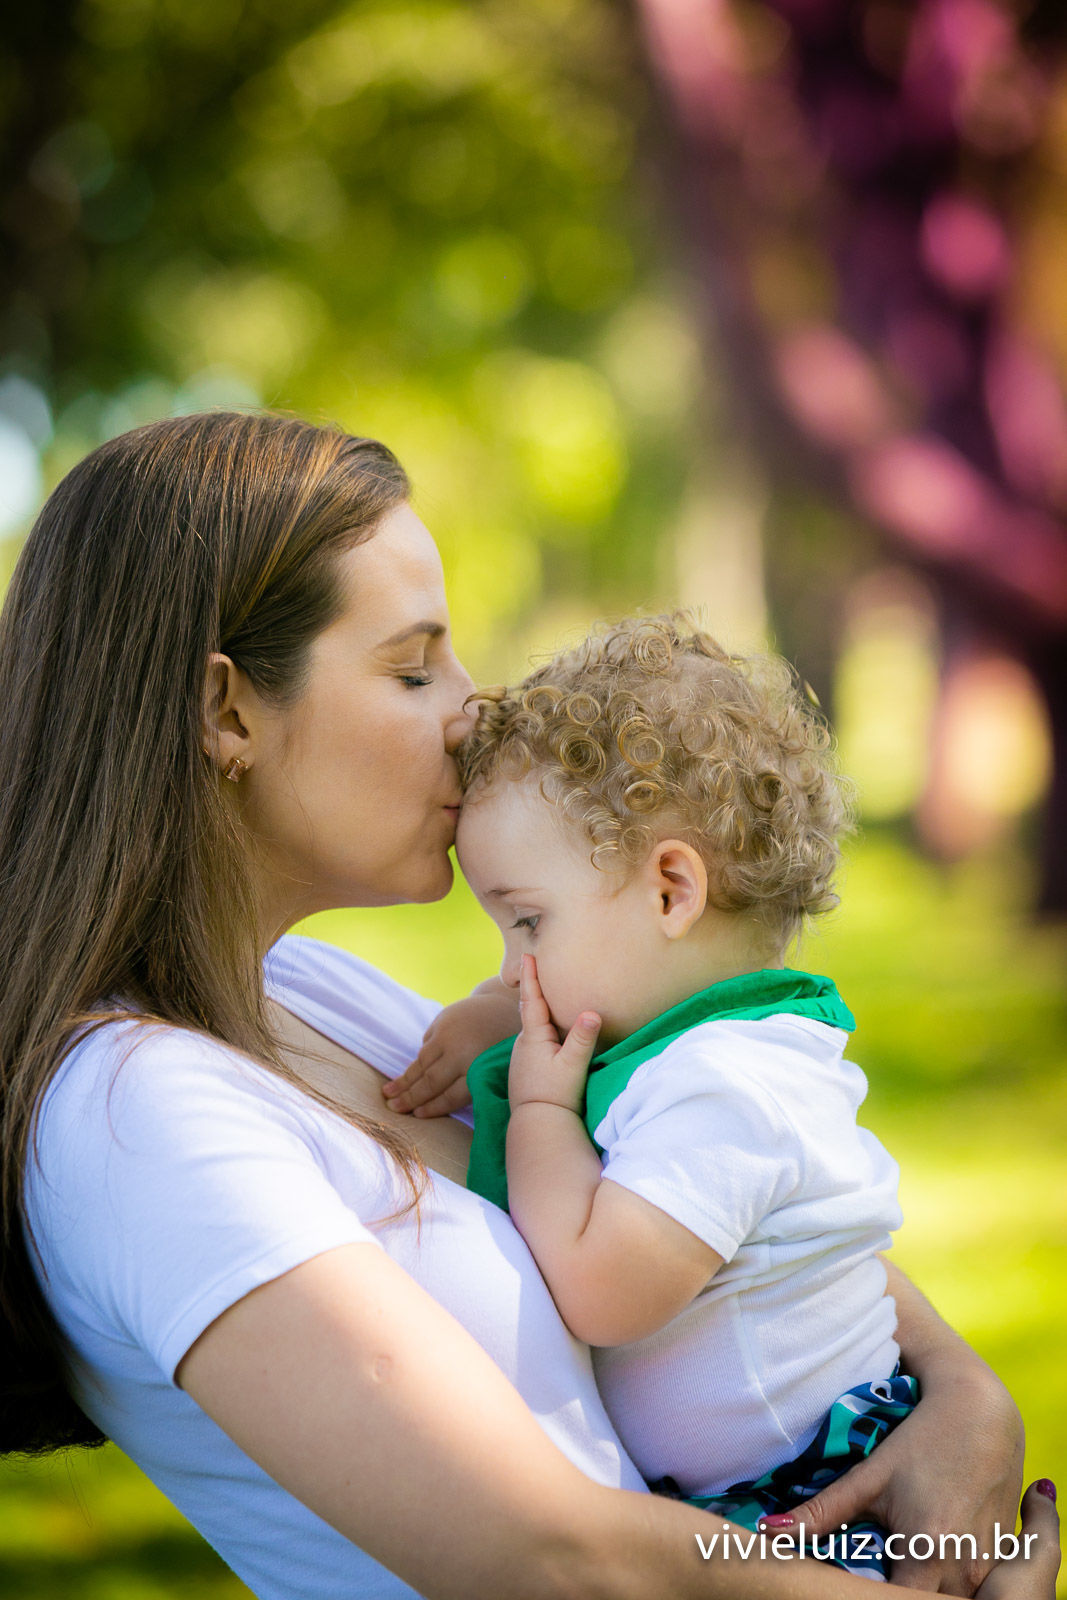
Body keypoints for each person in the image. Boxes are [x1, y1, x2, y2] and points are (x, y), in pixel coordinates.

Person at [0, 412, 1055, 1600]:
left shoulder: (307, 996)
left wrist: (963, 1395)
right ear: (226, 711)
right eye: (411, 667)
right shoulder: (132, 1117)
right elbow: (547, 1554)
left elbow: (728, 1207)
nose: (471, 706)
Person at [414, 614, 909, 1578]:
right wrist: (496, 1012)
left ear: (672, 891)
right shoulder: (706, 1044)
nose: (512, 969)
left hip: (820, 1513)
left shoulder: (727, 1088)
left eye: (526, 922)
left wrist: (546, 1117)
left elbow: (602, 1291)